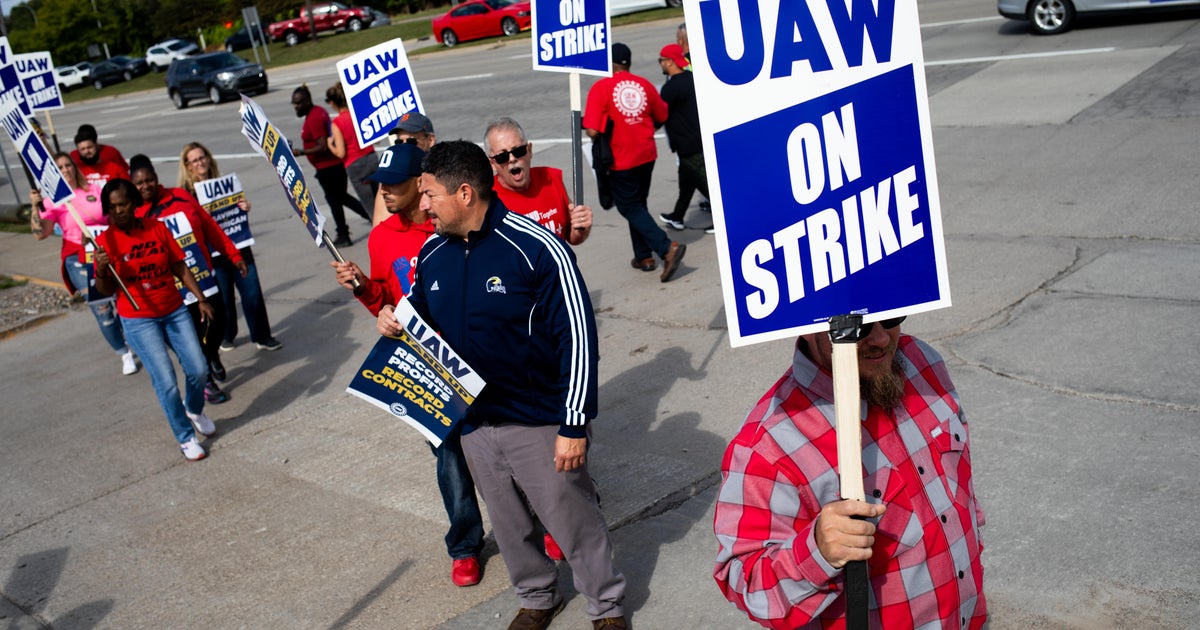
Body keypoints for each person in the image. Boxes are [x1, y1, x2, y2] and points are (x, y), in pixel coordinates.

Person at [379, 141, 627, 630]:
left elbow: (578, 337)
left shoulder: (537, 249)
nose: (422, 204)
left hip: (538, 418)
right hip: (473, 423)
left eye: (429, 194)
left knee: (572, 521)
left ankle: (606, 606)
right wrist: (394, 319)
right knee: (510, 526)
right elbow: (419, 314)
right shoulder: (432, 252)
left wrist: (574, 423)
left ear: (465, 193)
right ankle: (537, 597)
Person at [712, 318, 987, 628]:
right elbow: (745, 582)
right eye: (860, 328)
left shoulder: (921, 361)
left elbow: (961, 489)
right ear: (808, 326)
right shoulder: (768, 446)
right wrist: (817, 552)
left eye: (891, 317)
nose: (882, 339)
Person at [330, 143, 488, 587]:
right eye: (378, 186)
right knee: (449, 459)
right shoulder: (381, 237)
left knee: (505, 448)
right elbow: (387, 301)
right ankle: (465, 546)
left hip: (475, 358)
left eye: (392, 185)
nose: (383, 193)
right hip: (425, 369)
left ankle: (542, 521)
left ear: (420, 184)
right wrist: (364, 289)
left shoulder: (453, 224)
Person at [92, 179, 217, 461]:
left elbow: (178, 265)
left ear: (134, 203)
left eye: (123, 204)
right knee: (166, 381)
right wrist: (101, 269)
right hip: (138, 320)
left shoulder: (157, 228)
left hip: (173, 309)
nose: (118, 210)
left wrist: (200, 298)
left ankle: (194, 409)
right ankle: (185, 438)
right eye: (112, 207)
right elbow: (104, 290)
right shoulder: (104, 243)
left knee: (198, 369)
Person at [130, 156, 247, 405]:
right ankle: (206, 381)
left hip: (202, 279)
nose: (146, 186)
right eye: (139, 183)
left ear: (156, 178)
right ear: (133, 185)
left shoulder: (180, 197)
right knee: (188, 337)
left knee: (219, 322)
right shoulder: (134, 216)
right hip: (169, 290)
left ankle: (211, 354)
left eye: (149, 180)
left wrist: (233, 254)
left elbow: (210, 228)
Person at [583, 42, 686, 282]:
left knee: (629, 206)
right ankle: (644, 257)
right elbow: (662, 114)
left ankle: (666, 248)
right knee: (638, 205)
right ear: (628, 62)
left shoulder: (602, 87)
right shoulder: (645, 85)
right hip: (646, 154)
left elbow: (592, 131)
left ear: (610, 63)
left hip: (622, 158)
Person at [29, 152, 137, 375]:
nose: (66, 170)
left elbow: (114, 214)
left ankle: (136, 337)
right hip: (78, 257)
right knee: (102, 306)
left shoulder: (94, 190)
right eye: (60, 167)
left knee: (125, 296)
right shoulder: (51, 201)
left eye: (68, 165)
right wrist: (35, 207)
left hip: (107, 248)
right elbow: (41, 233)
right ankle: (123, 352)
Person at [178, 141, 282, 353]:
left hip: (239, 246)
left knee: (252, 293)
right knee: (224, 298)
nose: (200, 162)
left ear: (209, 158)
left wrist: (245, 207)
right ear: (187, 166)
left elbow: (236, 210)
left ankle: (262, 336)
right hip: (212, 254)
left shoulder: (224, 182)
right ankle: (227, 335)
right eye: (194, 160)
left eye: (202, 157)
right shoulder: (185, 195)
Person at [484, 116, 592, 246]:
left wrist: (581, 227)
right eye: (502, 157)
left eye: (518, 151)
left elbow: (572, 235)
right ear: (492, 163)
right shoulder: (487, 200)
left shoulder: (551, 179)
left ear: (529, 150)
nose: (512, 159)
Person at [291, 84, 370, 247]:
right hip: (328, 168)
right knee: (339, 199)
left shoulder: (314, 117)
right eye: (294, 103)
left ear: (307, 101)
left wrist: (301, 152)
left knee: (338, 200)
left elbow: (323, 145)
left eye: (298, 103)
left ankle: (350, 229)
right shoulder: (317, 112)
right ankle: (350, 228)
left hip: (329, 168)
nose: (296, 107)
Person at [656, 43, 711, 233]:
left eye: (661, 60)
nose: (660, 63)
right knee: (686, 182)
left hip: (687, 144)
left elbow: (659, 115)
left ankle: (725, 218)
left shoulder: (670, 88)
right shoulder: (692, 78)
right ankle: (677, 216)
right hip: (699, 138)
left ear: (670, 62)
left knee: (704, 182)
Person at [372, 111, 438, 227]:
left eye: (411, 141)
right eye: (399, 142)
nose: (405, 146)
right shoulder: (390, 177)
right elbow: (380, 227)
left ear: (430, 140)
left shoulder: (445, 172)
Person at [325, 82, 380, 213]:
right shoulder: (358, 114)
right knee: (383, 201)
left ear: (333, 103)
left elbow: (340, 153)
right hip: (371, 158)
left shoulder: (337, 122)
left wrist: (329, 144)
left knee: (371, 207)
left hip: (355, 165)